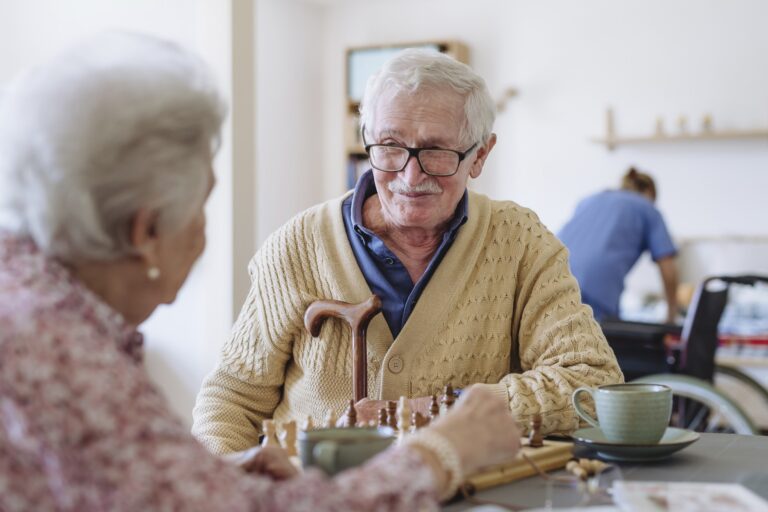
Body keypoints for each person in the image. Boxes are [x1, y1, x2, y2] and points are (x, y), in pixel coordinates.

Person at [0, 32, 522, 511]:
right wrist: (442, 454)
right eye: (203, 204)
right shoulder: (59, 353)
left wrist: (219, 476)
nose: (410, 174)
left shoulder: (30, 308)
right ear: (145, 232)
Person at [192, 49, 623, 454]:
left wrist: (436, 412)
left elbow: (592, 384)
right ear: (367, 140)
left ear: (480, 155)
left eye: (436, 152)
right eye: (390, 147)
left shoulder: (521, 243)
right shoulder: (299, 245)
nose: (410, 175)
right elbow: (232, 400)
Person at [558, 168, 678, 323]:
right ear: (649, 192)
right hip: (593, 293)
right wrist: (671, 316)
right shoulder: (647, 208)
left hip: (551, 277)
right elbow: (668, 267)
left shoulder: (589, 200)